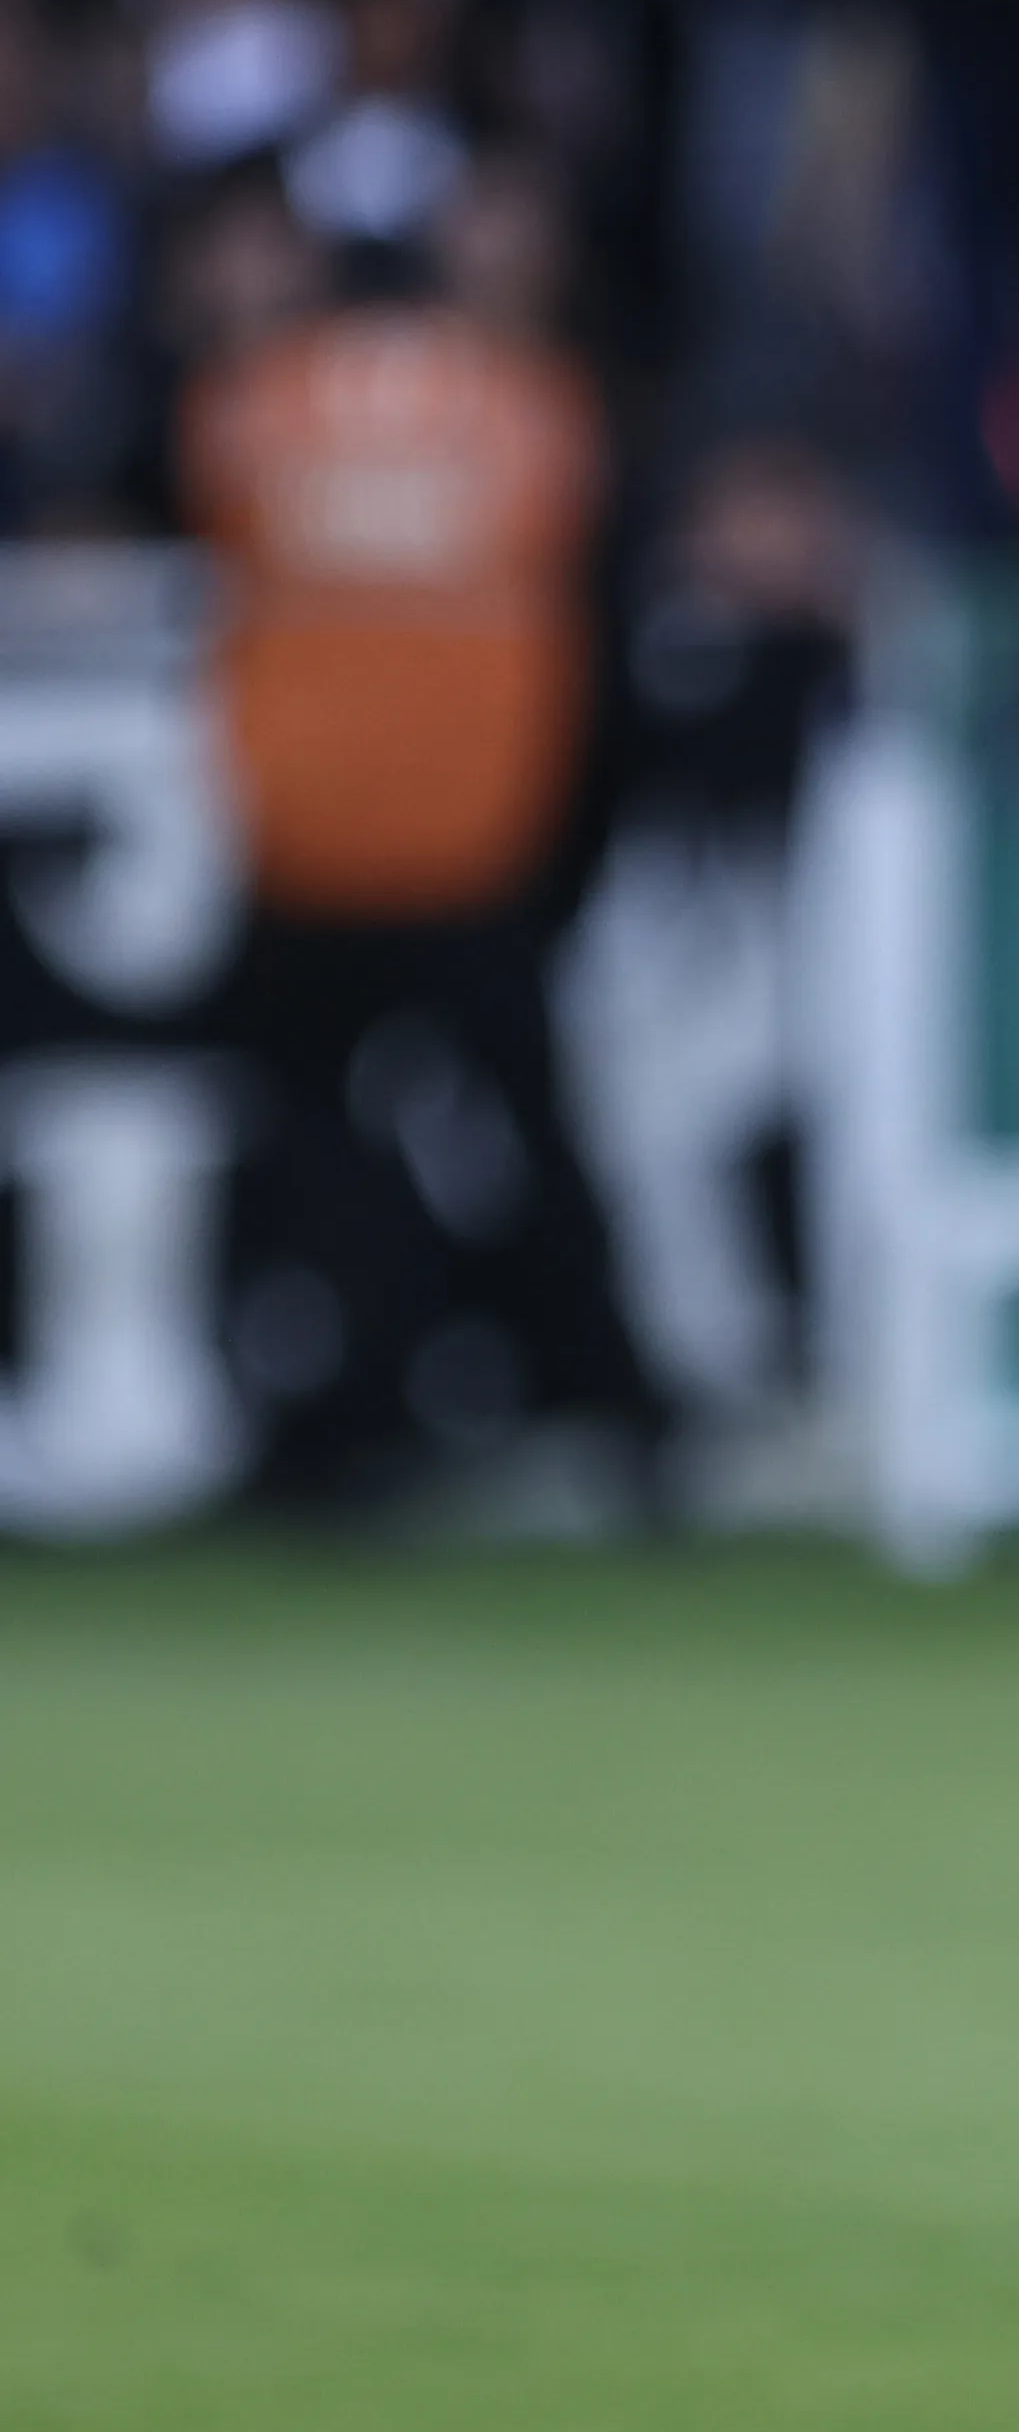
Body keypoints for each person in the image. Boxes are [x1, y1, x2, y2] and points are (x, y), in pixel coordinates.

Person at [185, 164, 658, 1515]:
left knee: (301, 1148)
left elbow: (200, 532)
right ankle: (622, 1417)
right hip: (474, 849)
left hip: (309, 854)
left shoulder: (249, 404)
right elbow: (591, 590)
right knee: (538, 1140)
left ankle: (330, 1423)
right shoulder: (531, 406)